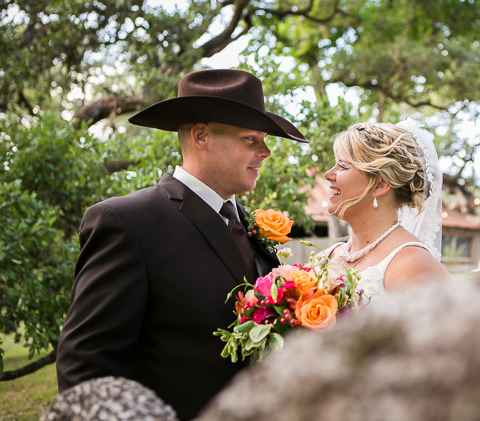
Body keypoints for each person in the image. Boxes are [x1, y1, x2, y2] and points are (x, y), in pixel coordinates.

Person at [56, 69, 308, 420]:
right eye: (251, 139)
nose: (265, 152)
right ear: (201, 136)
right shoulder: (129, 222)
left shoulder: (250, 225)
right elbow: (86, 368)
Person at [324, 120, 451, 299]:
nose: (327, 175)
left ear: (380, 184)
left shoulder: (412, 264)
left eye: (343, 166)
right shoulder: (326, 257)